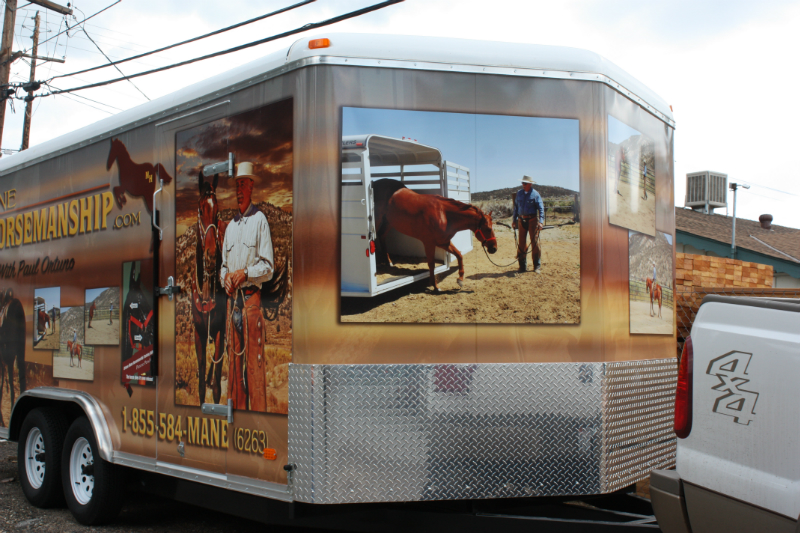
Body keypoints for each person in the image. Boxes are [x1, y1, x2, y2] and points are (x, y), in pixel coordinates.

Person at [220, 162, 274, 412]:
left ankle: (259, 423)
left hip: (251, 305)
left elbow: (268, 267)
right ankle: (239, 424)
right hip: (234, 307)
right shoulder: (230, 227)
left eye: (243, 183)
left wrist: (245, 274)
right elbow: (222, 267)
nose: (239, 189)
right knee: (234, 373)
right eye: (237, 185)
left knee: (254, 370)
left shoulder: (260, 220)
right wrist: (226, 279)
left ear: (251, 186)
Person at [512, 175, 545, 273]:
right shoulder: (519, 193)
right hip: (521, 220)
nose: (523, 185)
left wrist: (541, 222)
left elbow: (541, 209)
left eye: (525, 183)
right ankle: (522, 266)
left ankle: (536, 266)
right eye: (522, 183)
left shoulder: (535, 194)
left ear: (530, 184)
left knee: (534, 242)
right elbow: (516, 208)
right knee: (521, 243)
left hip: (532, 220)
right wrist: (514, 220)